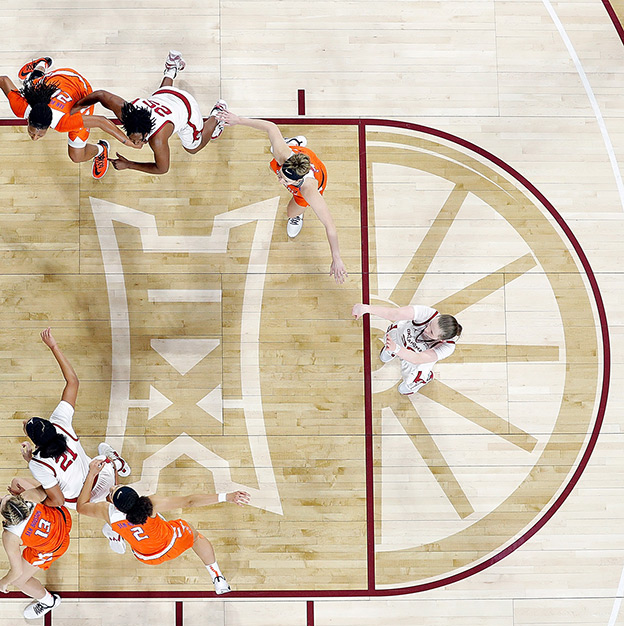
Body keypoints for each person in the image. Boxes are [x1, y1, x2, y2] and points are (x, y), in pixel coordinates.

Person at [11, 328, 132, 554]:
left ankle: (112, 527)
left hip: (80, 498)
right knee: (108, 473)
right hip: (101, 475)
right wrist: (54, 347)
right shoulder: (60, 423)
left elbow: (56, 501)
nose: (27, 420)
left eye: (27, 425)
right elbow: (73, 382)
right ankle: (114, 461)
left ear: (35, 442)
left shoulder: (38, 463)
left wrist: (38, 495)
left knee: (91, 500)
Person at [77, 458, 251, 594]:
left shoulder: (107, 512)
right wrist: (226, 497)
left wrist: (91, 474)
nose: (113, 486)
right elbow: (189, 501)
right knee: (194, 535)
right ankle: (217, 577)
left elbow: (81, 506)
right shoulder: (150, 504)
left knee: (117, 527)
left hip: (146, 557)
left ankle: (115, 534)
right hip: (171, 543)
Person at [217, 110, 347, 284]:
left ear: (298, 179)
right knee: (275, 155)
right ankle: (293, 144)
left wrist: (336, 257)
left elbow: (330, 227)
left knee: (291, 213)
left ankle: (298, 215)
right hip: (296, 154)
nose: (280, 180)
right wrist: (238, 120)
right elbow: (271, 127)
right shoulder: (283, 157)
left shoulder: (309, 192)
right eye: (282, 175)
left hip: (313, 177)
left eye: (284, 179)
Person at [0, 57, 138, 178]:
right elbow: (2, 80)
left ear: (48, 127)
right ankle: (42, 64)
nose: (35, 137)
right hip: (55, 81)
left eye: (39, 134)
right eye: (33, 133)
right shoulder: (22, 107)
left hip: (78, 88)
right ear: (28, 119)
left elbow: (101, 121)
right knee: (30, 87)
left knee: (76, 156)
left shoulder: (64, 122)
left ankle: (101, 149)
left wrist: (127, 142)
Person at [68, 50, 225, 175]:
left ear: (148, 131)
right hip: (164, 97)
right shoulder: (127, 113)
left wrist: (129, 164)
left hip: (186, 107)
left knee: (192, 147)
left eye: (138, 140)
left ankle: (217, 114)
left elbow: (162, 169)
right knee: (159, 95)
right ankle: (171, 68)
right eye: (134, 140)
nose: (136, 143)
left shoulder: (157, 139)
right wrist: (75, 109)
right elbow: (100, 95)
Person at [352, 303, 463, 395]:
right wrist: (365, 308)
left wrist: (396, 349)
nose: (426, 330)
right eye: (429, 325)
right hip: (402, 338)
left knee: (404, 389)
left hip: (416, 359)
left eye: (431, 332)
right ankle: (391, 349)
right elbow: (395, 314)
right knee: (395, 330)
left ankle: (423, 378)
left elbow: (416, 358)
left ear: (441, 340)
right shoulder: (429, 314)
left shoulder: (447, 347)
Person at [0, 488, 71, 619]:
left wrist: (3, 582)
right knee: (17, 482)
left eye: (0, 502)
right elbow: (47, 488)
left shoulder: (10, 536)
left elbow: (17, 571)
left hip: (55, 547)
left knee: (19, 581)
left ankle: (49, 602)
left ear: (6, 516)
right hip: (63, 520)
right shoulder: (28, 496)